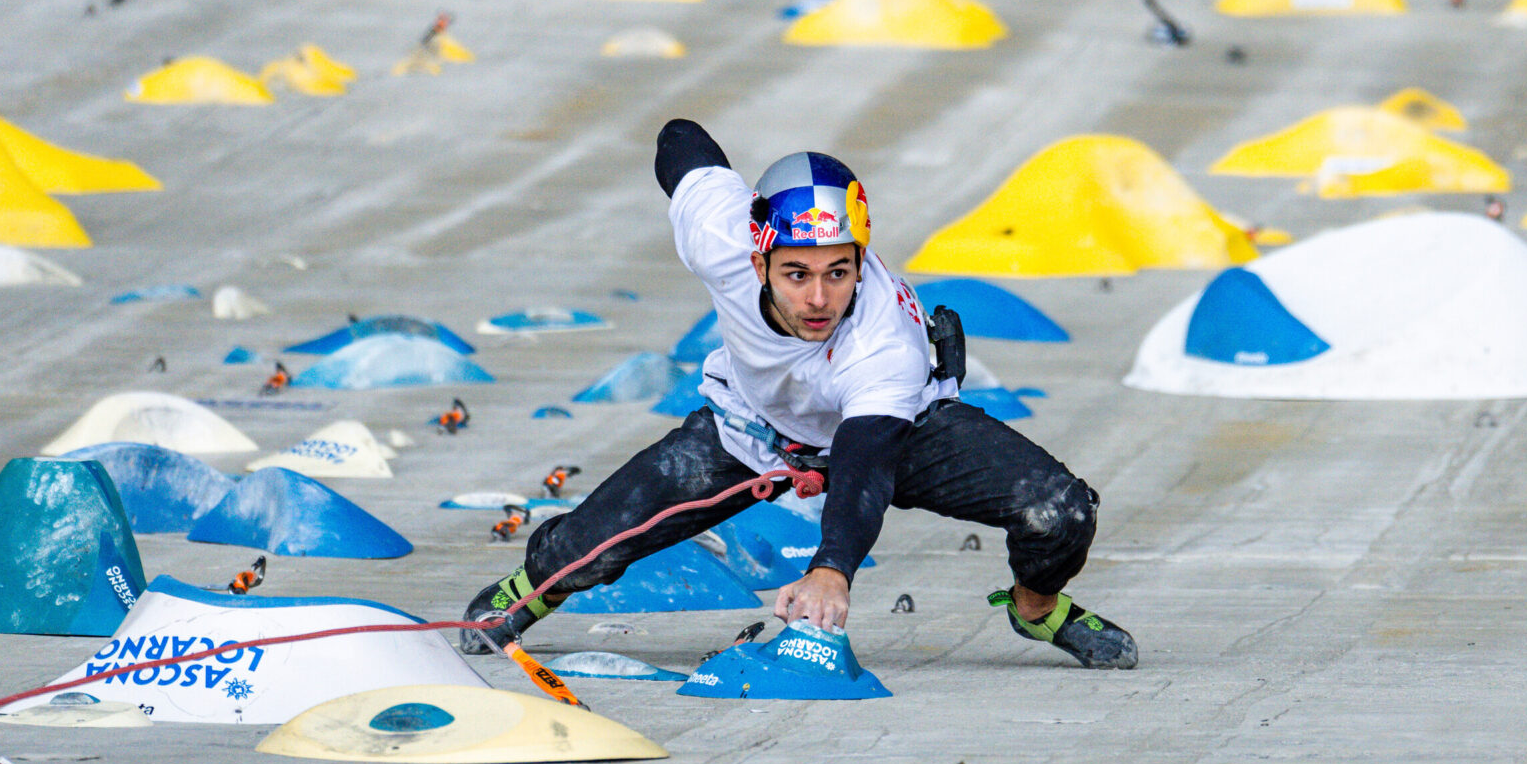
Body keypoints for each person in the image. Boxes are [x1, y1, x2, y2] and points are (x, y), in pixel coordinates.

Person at [460, 120, 1137, 668]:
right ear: (758, 260)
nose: (818, 298)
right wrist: (690, 163)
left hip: (900, 430)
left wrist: (831, 571)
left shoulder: (882, 346)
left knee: (1062, 511)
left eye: (840, 272)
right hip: (753, 428)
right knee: (582, 551)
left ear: (861, 257)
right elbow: (680, 141)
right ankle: (529, 594)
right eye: (796, 273)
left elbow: (865, 466)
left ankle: (1038, 609)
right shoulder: (722, 241)